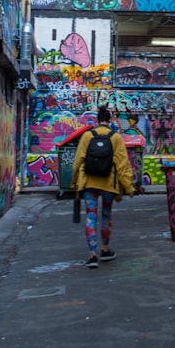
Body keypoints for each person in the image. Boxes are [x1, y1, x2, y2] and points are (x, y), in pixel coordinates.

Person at [72, 104, 134, 268]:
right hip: (108, 183)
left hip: (89, 182)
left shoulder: (87, 136)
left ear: (98, 120)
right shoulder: (115, 138)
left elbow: (78, 160)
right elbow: (122, 165)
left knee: (91, 216)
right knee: (106, 214)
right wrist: (129, 187)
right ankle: (105, 249)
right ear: (110, 120)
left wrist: (74, 181)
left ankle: (92, 254)